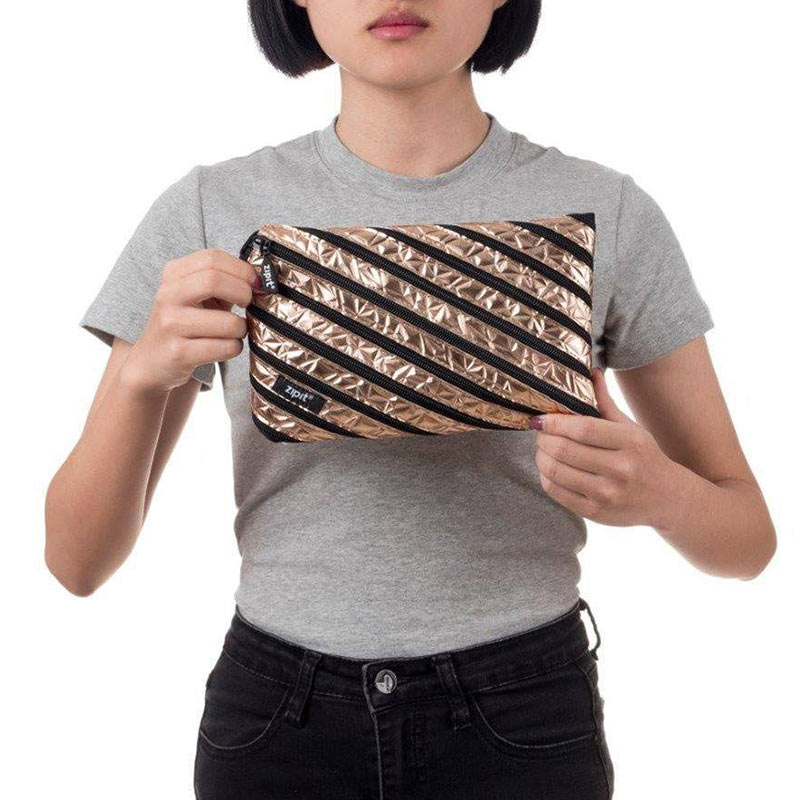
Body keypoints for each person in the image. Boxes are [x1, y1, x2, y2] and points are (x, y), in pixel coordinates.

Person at [44, 2, 776, 798]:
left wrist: (662, 495)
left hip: (523, 711)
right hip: (278, 720)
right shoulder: (206, 209)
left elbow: (749, 541)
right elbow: (77, 564)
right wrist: (137, 378)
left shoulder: (610, 211)